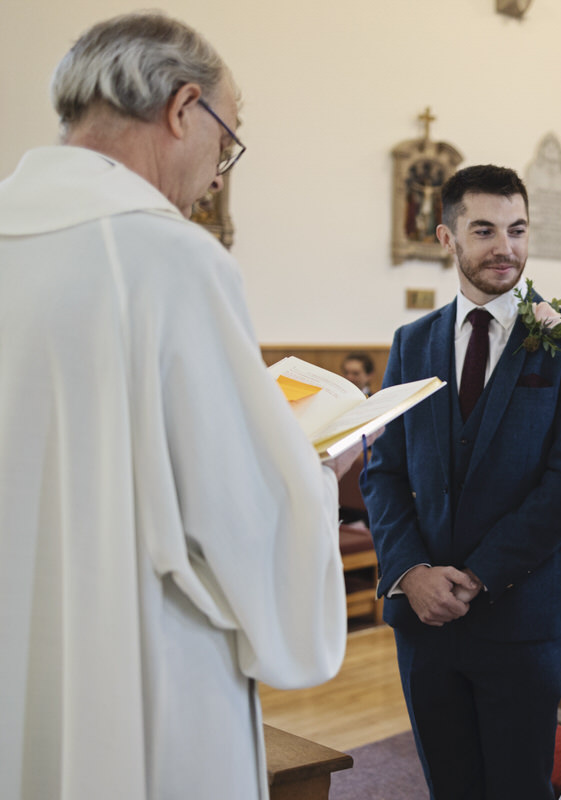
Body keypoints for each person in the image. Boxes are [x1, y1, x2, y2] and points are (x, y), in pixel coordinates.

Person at [0, 13, 352, 799]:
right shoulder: (172, 259)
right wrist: (312, 469)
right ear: (182, 107)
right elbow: (242, 514)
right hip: (136, 664)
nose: (219, 171)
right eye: (226, 141)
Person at [360, 164, 561, 799]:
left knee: (515, 789)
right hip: (425, 617)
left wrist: (475, 577)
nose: (506, 247)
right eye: (485, 230)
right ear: (447, 238)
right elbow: (384, 470)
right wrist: (411, 572)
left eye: (518, 229)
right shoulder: (411, 342)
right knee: (450, 787)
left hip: (521, 615)